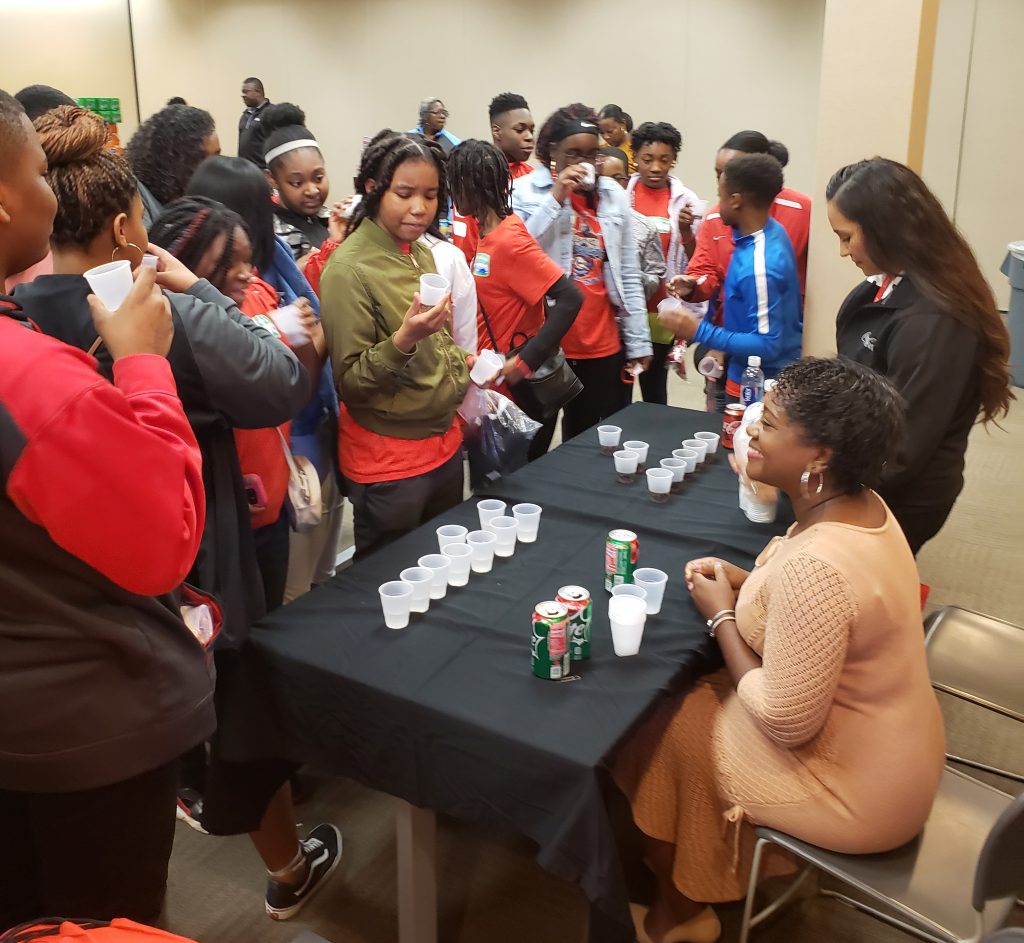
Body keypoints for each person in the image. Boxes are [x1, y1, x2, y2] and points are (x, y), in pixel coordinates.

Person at [613, 356, 945, 943]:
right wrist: (748, 584)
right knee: (686, 701)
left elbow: (786, 719)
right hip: (897, 748)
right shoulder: (861, 507)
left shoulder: (819, 565)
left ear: (819, 457)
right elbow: (823, 612)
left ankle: (680, 914)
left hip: (861, 792)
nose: (750, 431)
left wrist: (721, 615)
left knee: (660, 728)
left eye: (767, 423)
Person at [0, 87, 213, 927]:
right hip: (81, 724)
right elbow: (162, 541)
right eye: (36, 175)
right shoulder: (33, 379)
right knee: (101, 919)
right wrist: (144, 363)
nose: (51, 197)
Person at [17, 106, 309, 646]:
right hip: (189, 563)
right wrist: (201, 289)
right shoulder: (174, 316)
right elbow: (283, 379)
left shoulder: (20, 316)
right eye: (141, 219)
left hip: (70, 586)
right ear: (124, 230)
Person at [825, 157, 1014, 553]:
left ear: (884, 229)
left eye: (847, 237)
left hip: (900, 494)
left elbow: (903, 450)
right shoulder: (879, 290)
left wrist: (822, 484)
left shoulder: (935, 321)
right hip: (868, 467)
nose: (843, 252)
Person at [186, 155, 344, 601]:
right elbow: (281, 379)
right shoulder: (233, 297)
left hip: (287, 448)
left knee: (299, 568)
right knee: (284, 588)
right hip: (261, 463)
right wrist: (300, 336)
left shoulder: (258, 278)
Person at [320, 134, 470, 557]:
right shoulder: (348, 269)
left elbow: (438, 341)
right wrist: (405, 338)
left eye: (431, 195)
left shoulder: (419, 252)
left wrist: (463, 362)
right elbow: (351, 383)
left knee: (445, 565)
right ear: (373, 188)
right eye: (404, 194)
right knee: (390, 577)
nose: (420, 208)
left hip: (442, 441)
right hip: (390, 461)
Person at [512, 103, 652, 450]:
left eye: (591, 154)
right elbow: (514, 253)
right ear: (551, 152)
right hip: (544, 342)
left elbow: (628, 273)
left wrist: (638, 342)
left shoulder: (613, 195)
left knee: (583, 445)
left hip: (601, 344)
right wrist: (556, 198)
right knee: (533, 445)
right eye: (572, 154)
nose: (583, 163)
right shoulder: (525, 192)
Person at [671, 130, 811, 411]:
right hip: (743, 367)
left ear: (735, 200)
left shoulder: (761, 263)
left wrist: (698, 330)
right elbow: (708, 270)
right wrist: (694, 286)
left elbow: (768, 344)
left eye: (720, 193)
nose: (716, 203)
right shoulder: (765, 232)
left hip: (761, 385)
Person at [448, 139, 582, 405]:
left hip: (514, 390)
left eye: (454, 183)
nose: (451, 192)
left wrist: (524, 363)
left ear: (471, 185)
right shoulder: (486, 232)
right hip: (491, 377)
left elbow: (570, 298)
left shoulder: (508, 240)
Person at [624, 121, 703, 404]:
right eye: (647, 159)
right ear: (635, 157)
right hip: (624, 308)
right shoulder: (621, 195)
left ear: (674, 159)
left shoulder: (686, 201)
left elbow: (698, 261)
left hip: (661, 308)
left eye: (664, 160)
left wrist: (685, 232)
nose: (656, 167)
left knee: (654, 387)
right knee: (618, 386)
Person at [260, 103, 338, 266]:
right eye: (297, 183)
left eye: (318, 178)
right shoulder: (273, 237)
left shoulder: (331, 218)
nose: (312, 190)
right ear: (272, 179)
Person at [125, 103, 220, 226]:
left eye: (217, 155)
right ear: (176, 159)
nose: (215, 165)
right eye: (203, 158)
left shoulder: (200, 193)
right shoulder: (136, 196)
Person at [601, 148, 666, 303]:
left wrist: (630, 275)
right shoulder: (581, 222)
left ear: (627, 180)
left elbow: (656, 277)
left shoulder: (645, 227)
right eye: (602, 179)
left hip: (629, 309)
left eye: (617, 179)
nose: (608, 186)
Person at [489, 92, 536, 180]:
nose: (529, 137)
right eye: (519, 130)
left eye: (531, 131)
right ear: (496, 132)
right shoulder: (481, 175)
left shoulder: (532, 176)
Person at [238, 76, 271, 166]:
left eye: (246, 92)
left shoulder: (271, 113)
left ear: (258, 92)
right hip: (245, 169)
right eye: (242, 92)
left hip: (262, 169)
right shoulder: (245, 115)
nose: (243, 95)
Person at [598, 104, 635, 172]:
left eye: (610, 131)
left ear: (622, 125)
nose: (605, 137)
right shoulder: (601, 150)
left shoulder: (636, 148)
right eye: (602, 133)